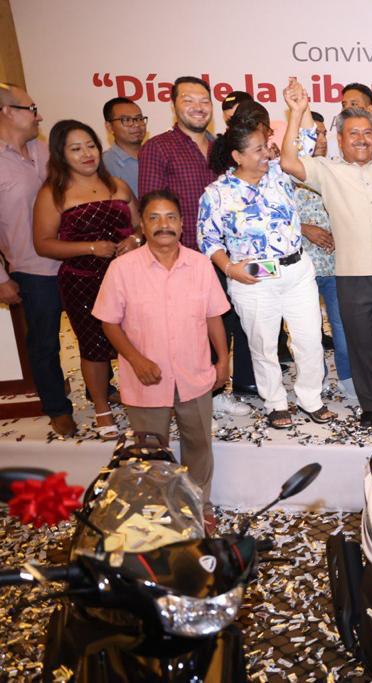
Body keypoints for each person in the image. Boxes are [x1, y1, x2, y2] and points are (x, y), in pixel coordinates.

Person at [279, 79, 372, 430]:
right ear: (340, 139)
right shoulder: (326, 170)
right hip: (352, 275)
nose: (362, 139)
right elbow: (288, 161)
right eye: (354, 134)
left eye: (367, 133)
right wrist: (297, 112)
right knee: (361, 344)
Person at [197, 85, 336, 430]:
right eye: (258, 149)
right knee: (263, 345)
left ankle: (311, 399)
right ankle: (275, 402)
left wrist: (298, 110)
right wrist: (230, 268)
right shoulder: (217, 194)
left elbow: (303, 144)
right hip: (254, 276)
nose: (266, 153)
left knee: (309, 340)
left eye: (266, 146)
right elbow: (208, 240)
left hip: (296, 268)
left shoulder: (279, 173)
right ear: (237, 156)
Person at [93, 190, 227, 534]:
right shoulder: (122, 269)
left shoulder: (199, 265)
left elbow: (214, 316)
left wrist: (224, 359)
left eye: (170, 217)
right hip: (146, 378)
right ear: (142, 224)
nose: (163, 225)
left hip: (193, 374)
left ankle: (199, 504)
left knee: (199, 445)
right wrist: (136, 360)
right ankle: (160, 512)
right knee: (151, 453)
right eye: (154, 217)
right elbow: (109, 322)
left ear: (182, 224)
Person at [139, 76, 253, 416]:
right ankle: (200, 397)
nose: (198, 107)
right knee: (192, 330)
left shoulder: (221, 147)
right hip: (185, 257)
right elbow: (153, 207)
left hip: (226, 255)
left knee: (227, 323)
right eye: (188, 100)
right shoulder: (158, 147)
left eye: (204, 100)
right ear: (174, 105)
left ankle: (221, 389)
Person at [32, 120, 140, 440]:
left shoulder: (118, 185)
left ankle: (139, 398)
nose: (87, 154)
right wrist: (90, 247)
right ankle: (101, 408)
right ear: (61, 154)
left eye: (91, 146)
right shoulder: (53, 193)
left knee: (134, 340)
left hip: (127, 279)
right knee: (93, 345)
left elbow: (140, 226)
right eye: (76, 149)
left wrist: (134, 240)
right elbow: (43, 244)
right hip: (83, 281)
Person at [0, 82, 75, 436]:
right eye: (31, 109)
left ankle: (102, 390)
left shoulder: (45, 151)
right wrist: (1, 279)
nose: (39, 116)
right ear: (6, 112)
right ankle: (56, 407)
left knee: (94, 331)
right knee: (44, 343)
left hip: (74, 262)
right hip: (32, 270)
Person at [299, 110, 354, 397]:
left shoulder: (337, 168)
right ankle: (314, 381)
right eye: (313, 134)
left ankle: (349, 377)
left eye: (322, 133)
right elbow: (272, 218)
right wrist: (304, 228)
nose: (320, 139)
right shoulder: (284, 173)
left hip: (336, 265)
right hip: (300, 266)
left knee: (342, 327)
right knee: (307, 331)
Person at [102, 97, 146, 197]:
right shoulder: (102, 164)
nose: (136, 125)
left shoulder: (157, 155)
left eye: (139, 119)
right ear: (109, 127)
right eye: (126, 120)